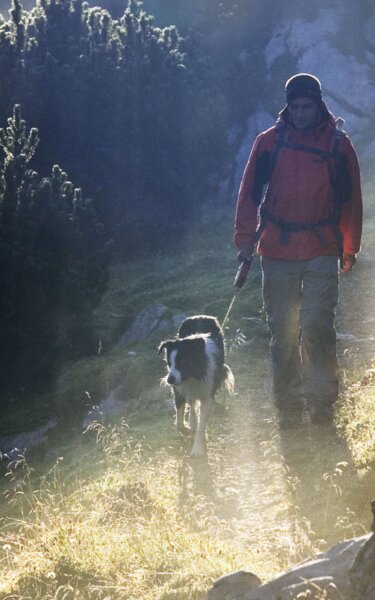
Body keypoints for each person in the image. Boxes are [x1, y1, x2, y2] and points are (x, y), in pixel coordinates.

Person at [234, 73, 363, 428]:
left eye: (307, 106)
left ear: (319, 104)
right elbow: (249, 193)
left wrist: (349, 247)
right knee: (284, 331)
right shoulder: (268, 143)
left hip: (322, 247)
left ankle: (322, 402)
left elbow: (351, 200)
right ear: (287, 106)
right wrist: (245, 238)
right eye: (295, 107)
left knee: (318, 324)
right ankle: (288, 404)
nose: (302, 113)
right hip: (276, 249)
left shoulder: (338, 145)